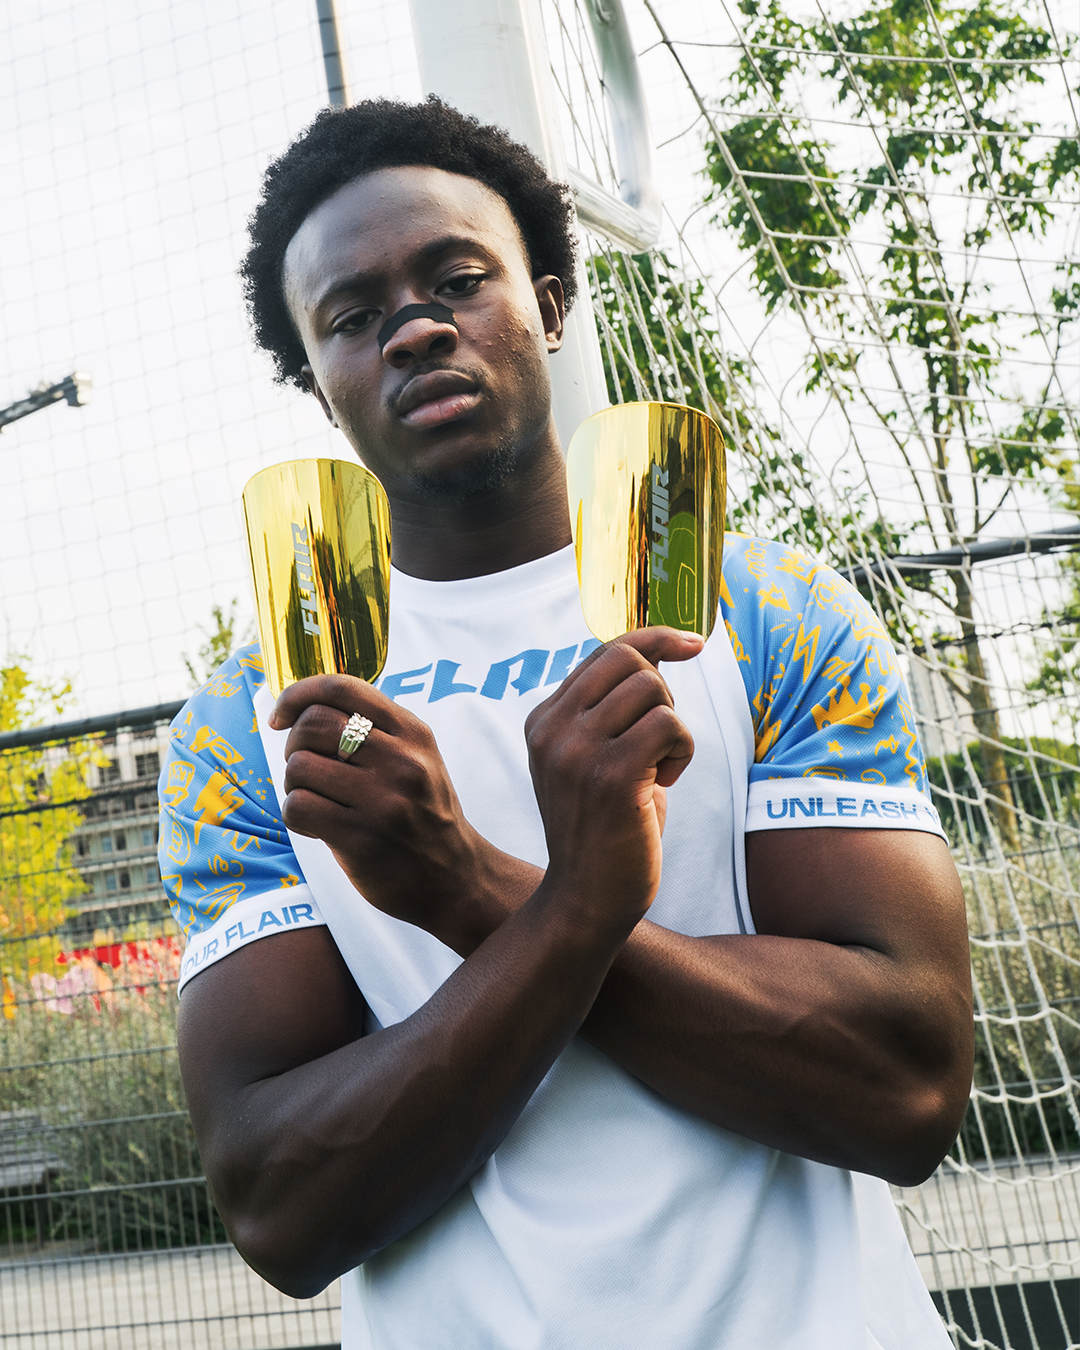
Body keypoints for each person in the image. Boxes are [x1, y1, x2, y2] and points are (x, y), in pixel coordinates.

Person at [159, 97, 973, 1350]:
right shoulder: (247, 720)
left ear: (548, 304)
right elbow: (281, 1212)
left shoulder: (766, 610)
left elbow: (905, 1093)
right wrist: (568, 904)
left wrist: (473, 888)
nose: (415, 328)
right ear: (320, 386)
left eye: (457, 280)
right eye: (353, 319)